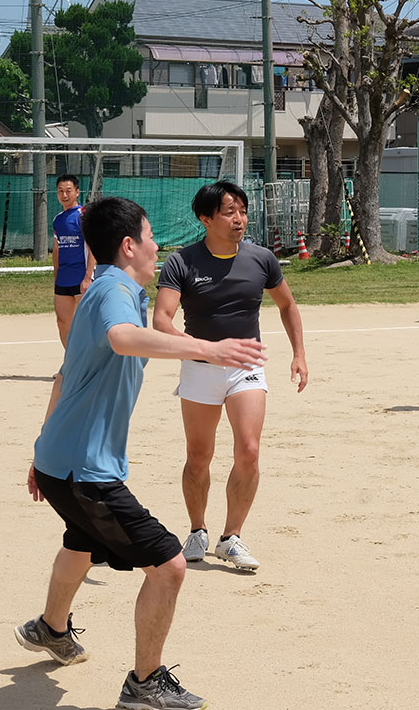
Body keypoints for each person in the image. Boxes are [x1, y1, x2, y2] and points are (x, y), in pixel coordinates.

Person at [16, 196, 267, 710]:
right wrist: (208, 348)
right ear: (128, 246)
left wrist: (42, 452)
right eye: (151, 236)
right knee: (170, 565)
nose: (159, 246)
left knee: (82, 544)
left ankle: (50, 629)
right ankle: (144, 683)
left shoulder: (120, 290)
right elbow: (125, 339)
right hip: (83, 470)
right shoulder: (112, 291)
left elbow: (66, 376)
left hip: (63, 460)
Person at [154, 180, 308, 571]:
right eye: (228, 211)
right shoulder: (182, 261)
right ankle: (197, 530)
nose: (238, 218)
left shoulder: (261, 258)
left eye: (241, 210)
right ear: (206, 219)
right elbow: (161, 320)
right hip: (200, 369)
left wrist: (299, 355)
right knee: (199, 455)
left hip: (247, 367)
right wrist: (200, 348)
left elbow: (288, 305)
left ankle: (231, 537)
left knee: (250, 450)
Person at [52, 174, 96, 347]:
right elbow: (57, 249)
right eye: (60, 191)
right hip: (64, 278)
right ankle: (70, 364)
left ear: (77, 192)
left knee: (87, 325)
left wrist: (87, 277)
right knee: (63, 323)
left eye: (68, 191)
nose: (64, 195)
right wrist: (56, 275)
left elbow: (92, 246)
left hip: (81, 278)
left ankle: (92, 367)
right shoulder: (58, 219)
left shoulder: (83, 215)